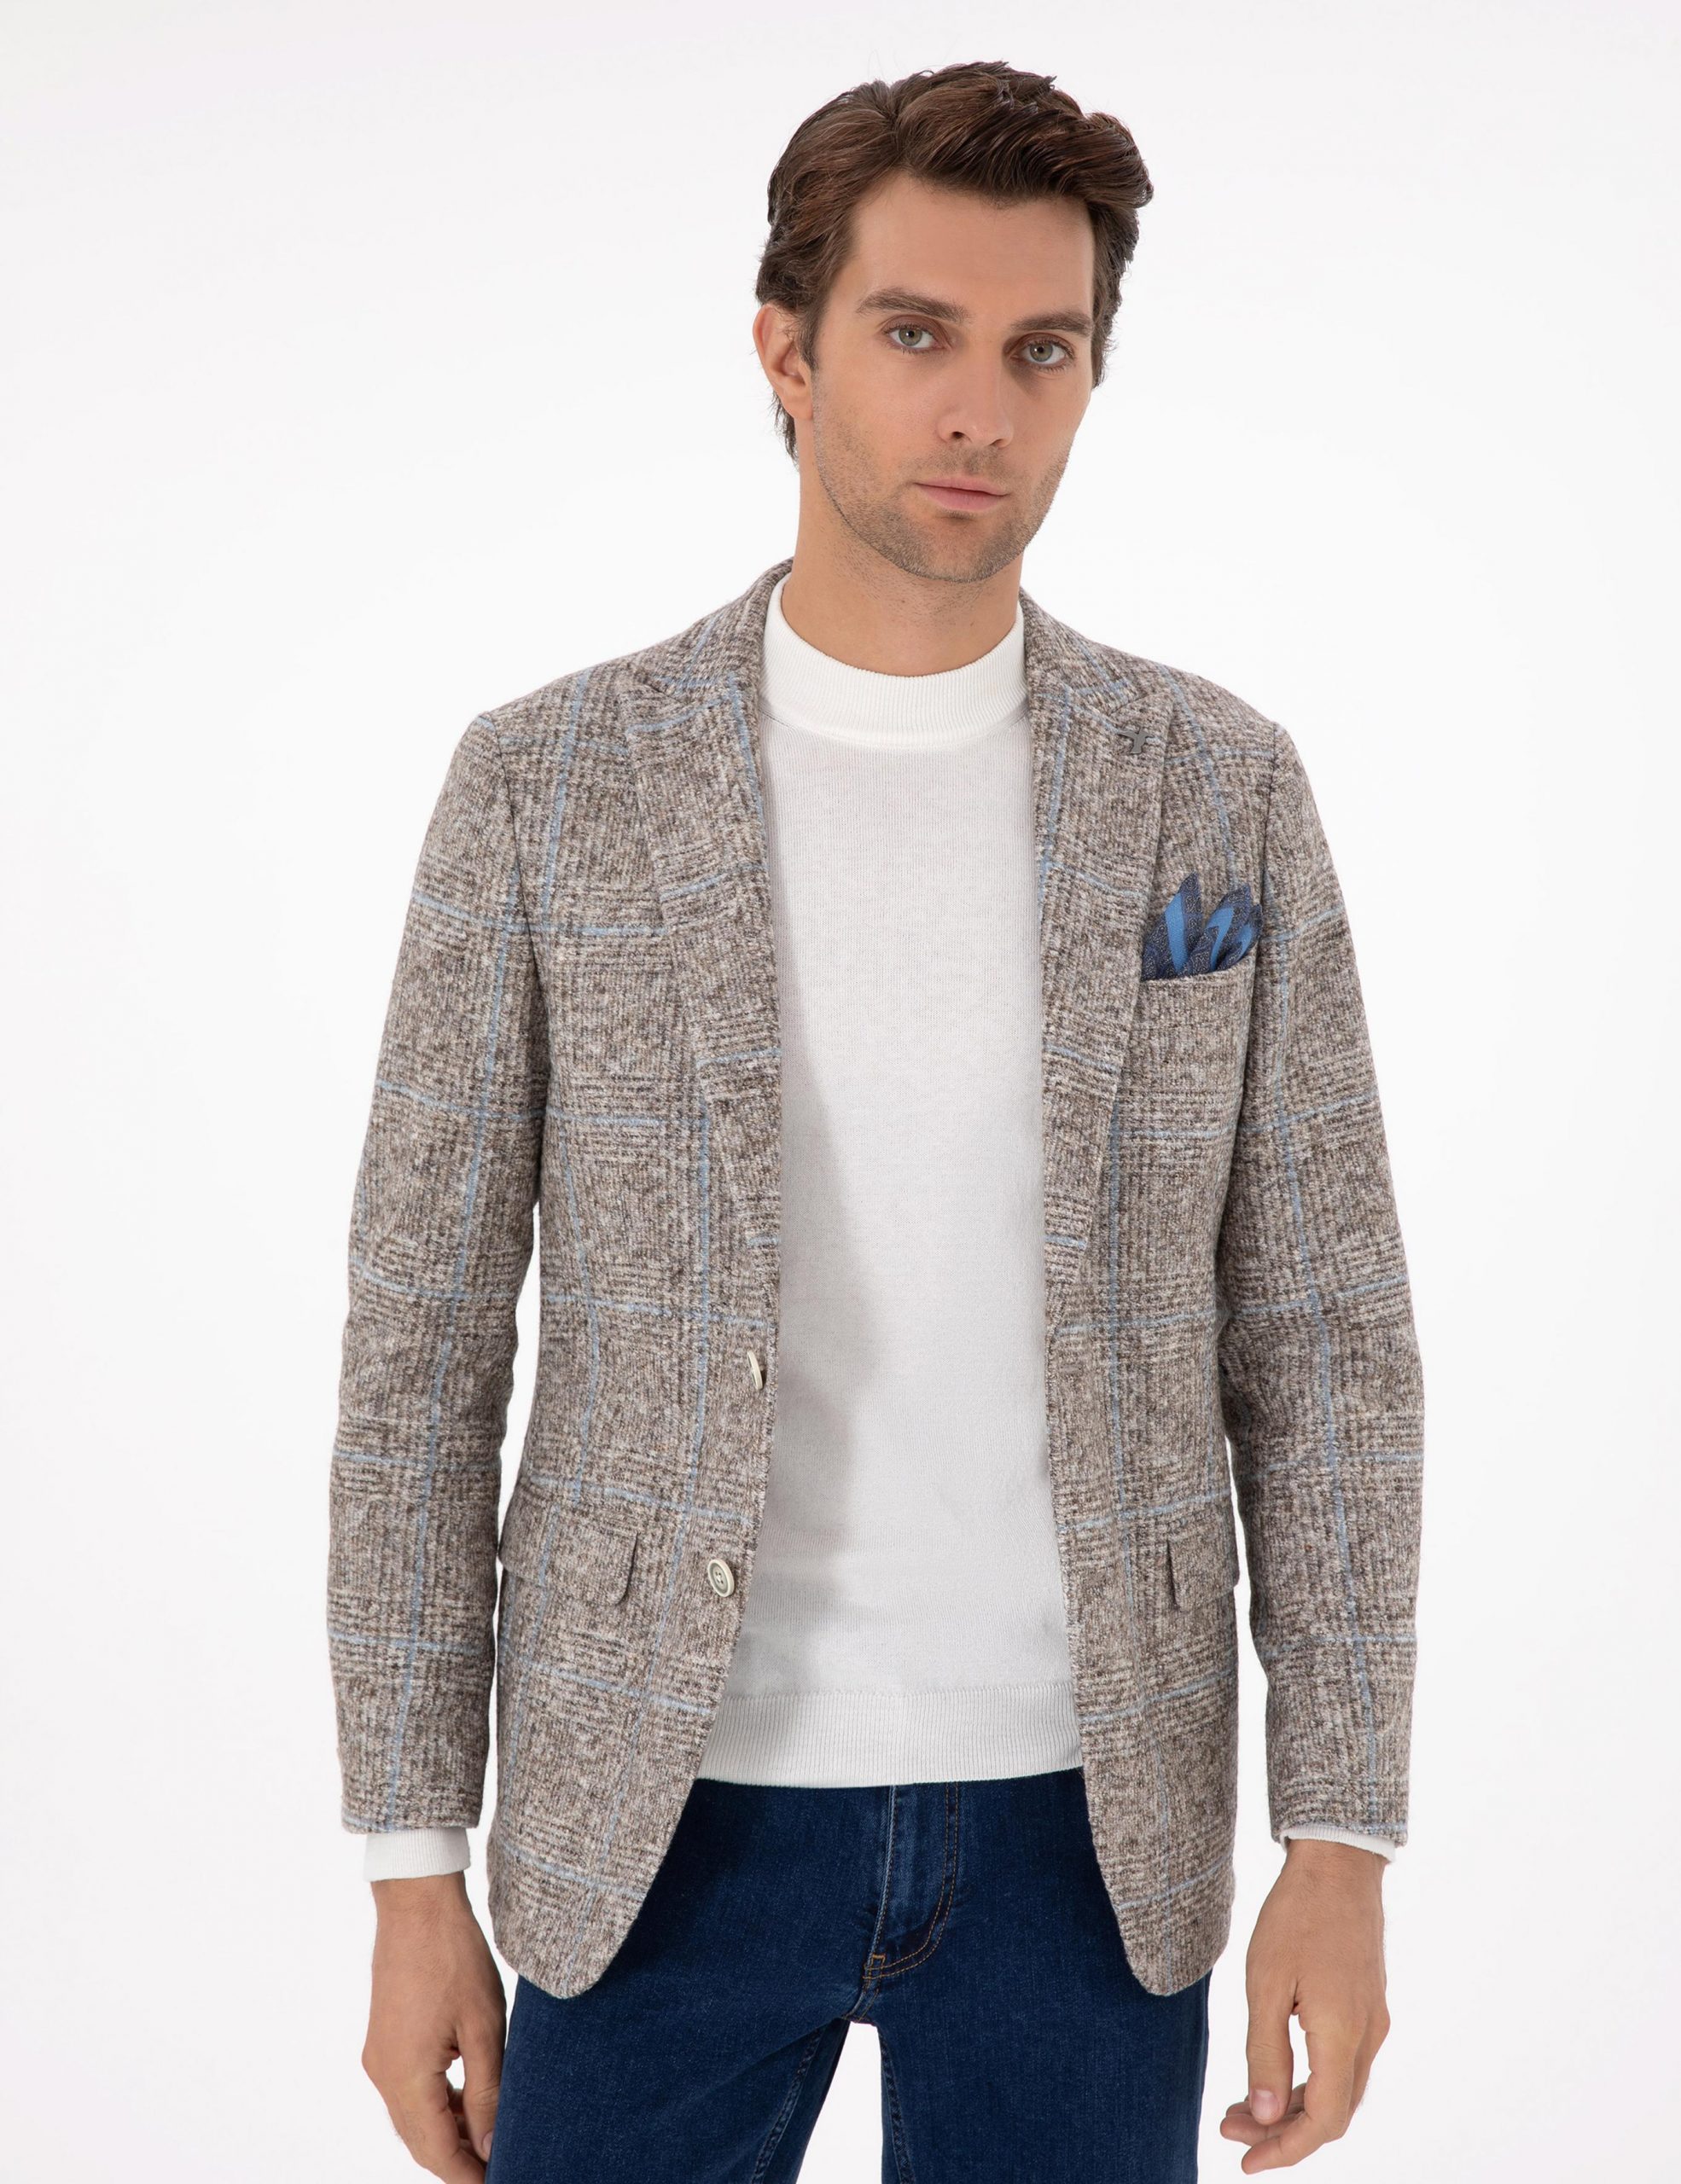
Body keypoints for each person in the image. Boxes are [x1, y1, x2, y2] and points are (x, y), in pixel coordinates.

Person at [327, 58, 1423, 2184]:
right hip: (650, 1817)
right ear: (786, 350)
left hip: (1090, 1831)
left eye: (1041, 350)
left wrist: (1341, 1836)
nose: (977, 410)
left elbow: (1326, 1339)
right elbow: (422, 1346)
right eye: (916, 333)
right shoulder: (547, 783)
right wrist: (406, 1864)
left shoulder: (1217, 786)